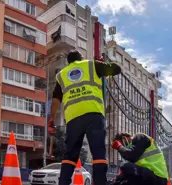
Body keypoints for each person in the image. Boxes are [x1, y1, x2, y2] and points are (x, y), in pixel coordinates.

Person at [48, 50, 121, 185]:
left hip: (73, 119)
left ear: (69, 62)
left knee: (70, 155)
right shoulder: (91, 65)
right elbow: (116, 69)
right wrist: (104, 68)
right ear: (81, 58)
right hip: (93, 113)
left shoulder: (62, 75)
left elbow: (55, 101)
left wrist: (51, 120)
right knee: (98, 152)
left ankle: (63, 182)